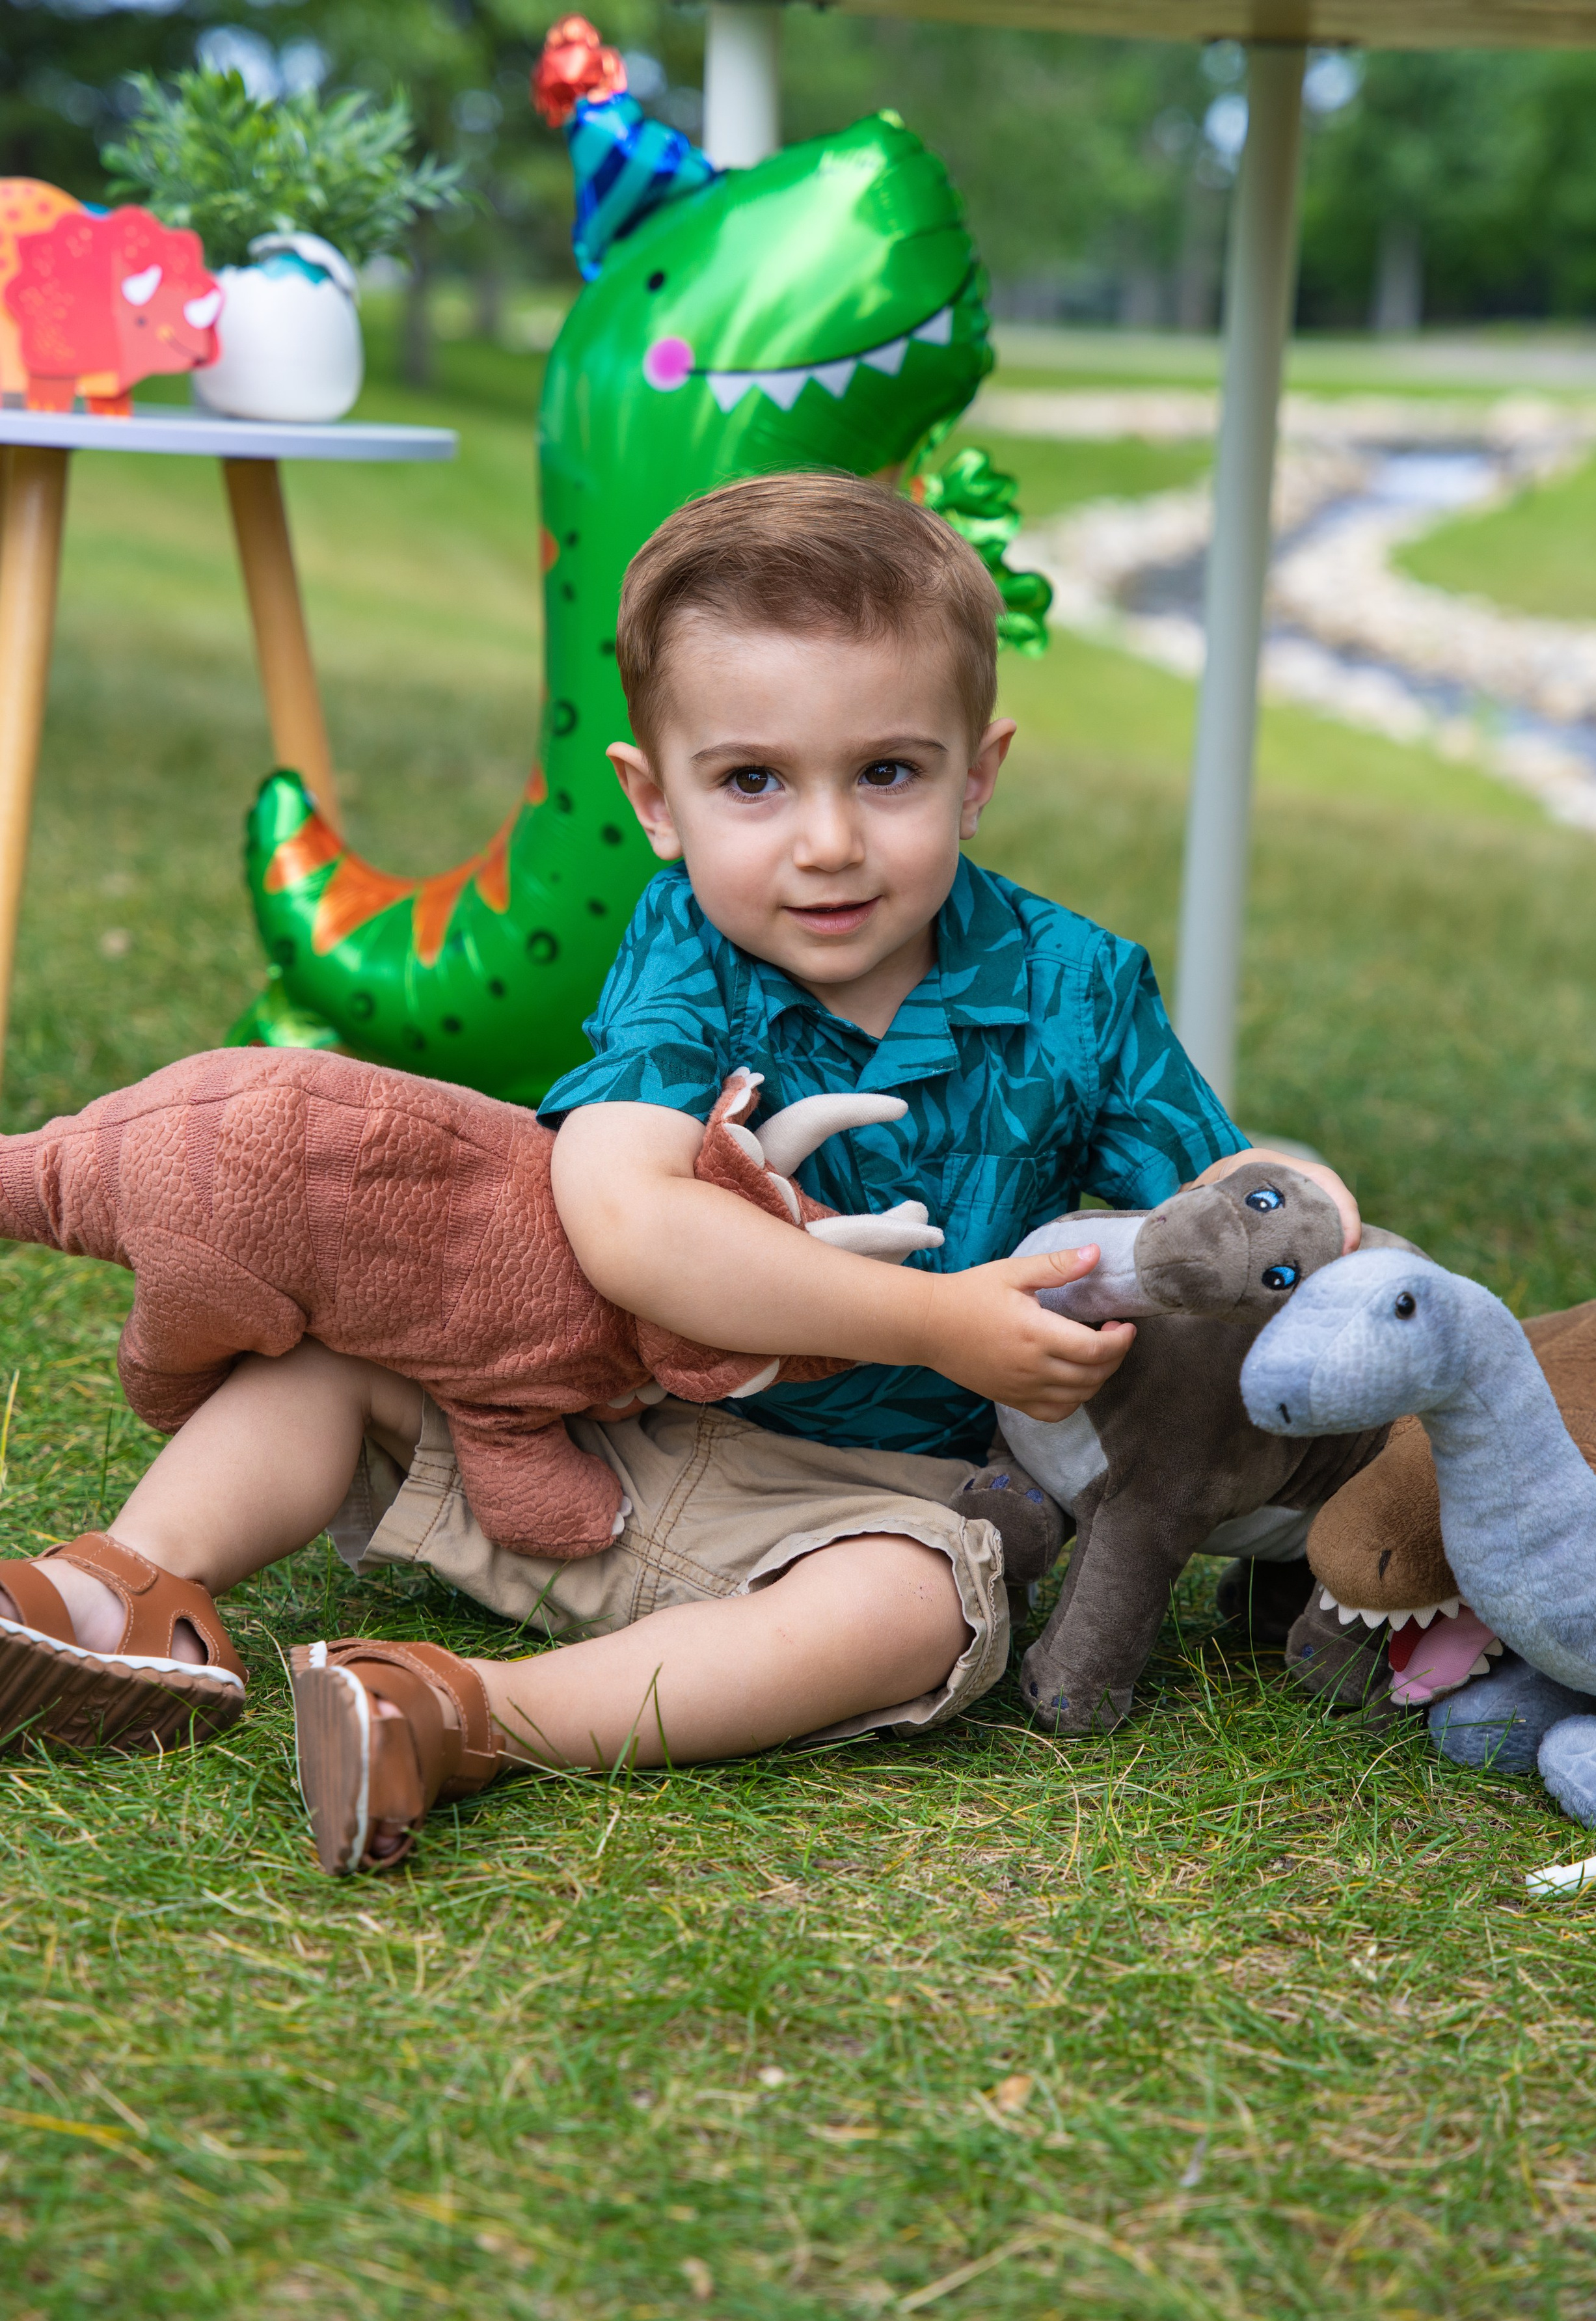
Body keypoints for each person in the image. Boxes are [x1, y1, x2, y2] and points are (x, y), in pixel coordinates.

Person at [0, 472, 1357, 1873]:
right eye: (752, 781)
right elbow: (623, 1218)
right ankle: (112, 1594)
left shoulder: (1077, 986)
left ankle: (457, 1716)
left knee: (919, 1609)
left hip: (861, 1500)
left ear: (977, 773)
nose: (827, 842)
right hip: (579, 1417)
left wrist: (1301, 1203)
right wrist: (939, 1321)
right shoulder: (687, 957)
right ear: (656, 801)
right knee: (329, 1365)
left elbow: (1225, 1194)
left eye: (887, 773)